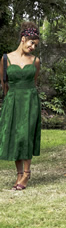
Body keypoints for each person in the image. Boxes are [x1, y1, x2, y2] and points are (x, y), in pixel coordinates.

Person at [0, 21, 41, 190]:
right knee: (16, 136)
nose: (33, 47)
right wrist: (11, 99)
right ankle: (18, 175)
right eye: (32, 43)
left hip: (30, 100)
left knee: (26, 135)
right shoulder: (5, 59)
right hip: (13, 100)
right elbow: (4, 83)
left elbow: (34, 81)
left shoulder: (36, 61)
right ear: (23, 39)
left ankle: (26, 174)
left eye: (35, 45)